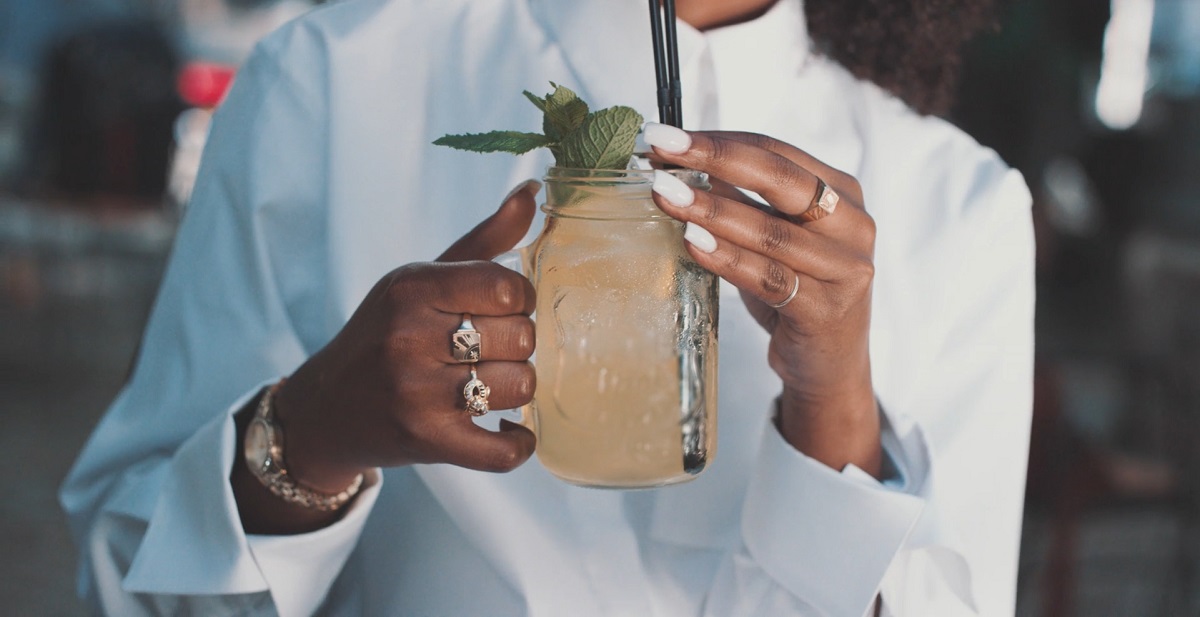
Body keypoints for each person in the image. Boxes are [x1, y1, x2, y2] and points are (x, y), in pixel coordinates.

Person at [60, 0, 1035, 615]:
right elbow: (129, 580)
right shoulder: (334, 79)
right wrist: (308, 435)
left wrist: (836, 407)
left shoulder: (959, 200)